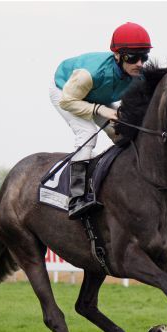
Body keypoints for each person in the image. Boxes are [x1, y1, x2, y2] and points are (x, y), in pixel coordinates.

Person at [49, 22, 152, 219]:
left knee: (122, 133)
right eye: (133, 57)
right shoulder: (90, 73)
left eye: (143, 57)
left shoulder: (137, 75)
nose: (139, 63)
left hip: (95, 95)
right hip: (65, 92)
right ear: (117, 55)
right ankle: (76, 198)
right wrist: (101, 110)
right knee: (87, 133)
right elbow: (68, 101)